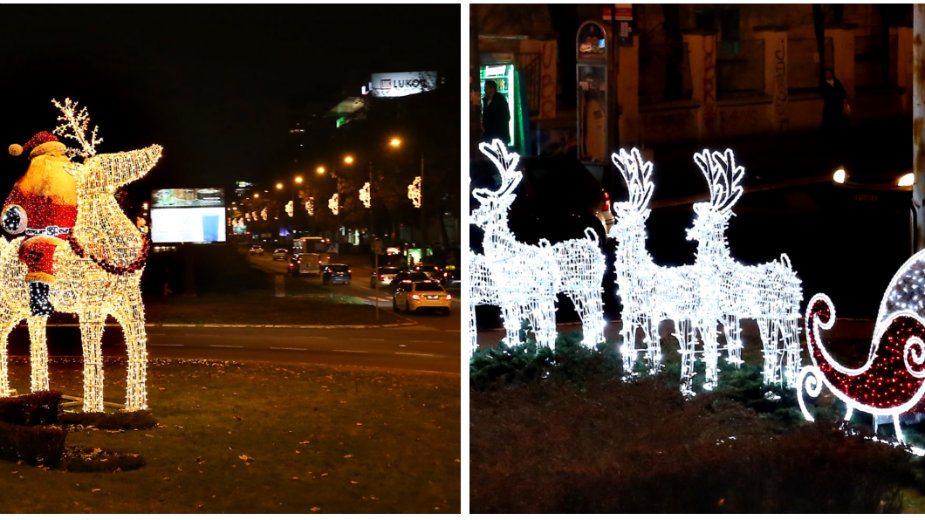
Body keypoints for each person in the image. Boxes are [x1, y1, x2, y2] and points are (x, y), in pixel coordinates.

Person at [2, 131, 78, 316]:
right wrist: (14, 217)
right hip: (39, 235)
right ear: (39, 161)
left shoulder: (73, 183)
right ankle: (38, 299)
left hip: (71, 234)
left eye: (61, 155)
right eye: (52, 155)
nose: (59, 160)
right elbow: (11, 208)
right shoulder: (24, 186)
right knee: (41, 251)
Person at [820, 67, 849, 154]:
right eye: (826, 74)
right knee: (828, 122)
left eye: (829, 73)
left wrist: (844, 99)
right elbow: (826, 93)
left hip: (837, 106)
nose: (828, 75)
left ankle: (838, 139)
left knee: (838, 122)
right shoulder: (823, 84)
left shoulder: (836, 82)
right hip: (829, 106)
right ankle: (827, 140)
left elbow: (842, 91)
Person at [481, 79, 511, 144]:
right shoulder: (485, 100)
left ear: (492, 89)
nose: (484, 90)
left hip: (499, 135)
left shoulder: (500, 99)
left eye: (486, 88)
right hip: (489, 135)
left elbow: (507, 116)